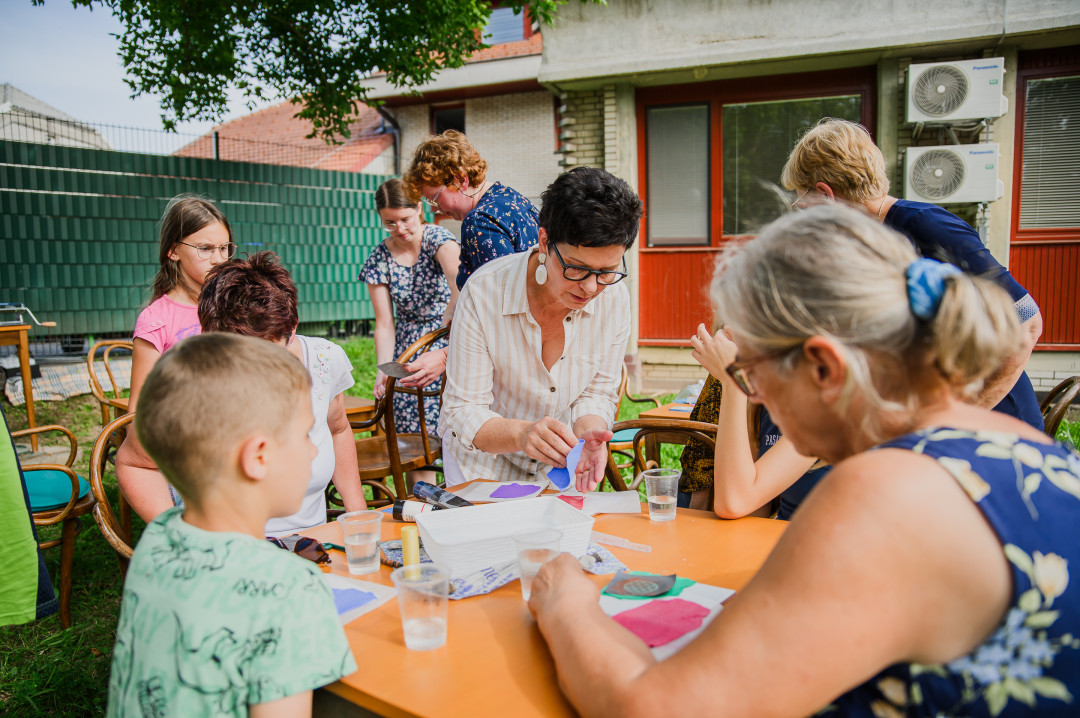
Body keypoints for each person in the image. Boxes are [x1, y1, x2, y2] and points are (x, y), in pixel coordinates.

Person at [528, 205, 1080, 717]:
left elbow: (654, 708)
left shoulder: (882, 493)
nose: (756, 396)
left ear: (823, 367)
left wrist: (565, 604)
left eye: (751, 375)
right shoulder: (1018, 442)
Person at [106, 333, 357, 717]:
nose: (314, 450)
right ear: (258, 456)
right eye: (305, 434)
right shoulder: (289, 588)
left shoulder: (160, 535)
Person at [781, 117, 1044, 430]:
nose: (802, 214)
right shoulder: (875, 237)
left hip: (994, 420)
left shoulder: (925, 224)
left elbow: (1026, 322)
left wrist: (952, 419)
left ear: (825, 195)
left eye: (801, 202)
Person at [118, 252, 367, 534]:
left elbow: (338, 429)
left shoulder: (323, 360)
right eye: (241, 355)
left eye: (269, 351)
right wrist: (180, 536)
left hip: (313, 542)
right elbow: (135, 463)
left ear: (292, 328)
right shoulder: (190, 381)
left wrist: (357, 511)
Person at [439, 167, 643, 491]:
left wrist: (591, 431)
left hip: (556, 468)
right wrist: (522, 434)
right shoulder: (484, 293)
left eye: (607, 271)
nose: (591, 287)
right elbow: (463, 411)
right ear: (544, 241)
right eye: (577, 268)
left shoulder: (615, 299)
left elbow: (596, 394)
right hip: (481, 467)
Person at [116, 195, 234, 515]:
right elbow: (138, 412)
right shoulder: (157, 320)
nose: (218, 259)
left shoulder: (233, 306)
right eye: (205, 249)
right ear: (173, 250)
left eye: (224, 248)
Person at [358, 178, 460, 444]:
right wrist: (384, 369)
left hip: (448, 344)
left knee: (457, 440)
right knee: (414, 444)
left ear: (418, 207)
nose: (399, 229)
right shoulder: (379, 257)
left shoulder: (438, 240)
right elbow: (384, 324)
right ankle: (420, 487)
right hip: (408, 350)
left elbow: (461, 286)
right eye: (389, 223)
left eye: (404, 219)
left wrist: (448, 323)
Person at [674, 365, 828, 519]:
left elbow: (734, 503)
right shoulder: (761, 405)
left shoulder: (823, 409)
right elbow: (751, 510)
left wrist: (733, 382)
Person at [403, 129, 539, 290]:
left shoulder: (479, 222)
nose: (434, 209)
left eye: (434, 198)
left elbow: (499, 297)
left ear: (460, 179)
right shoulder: (513, 197)